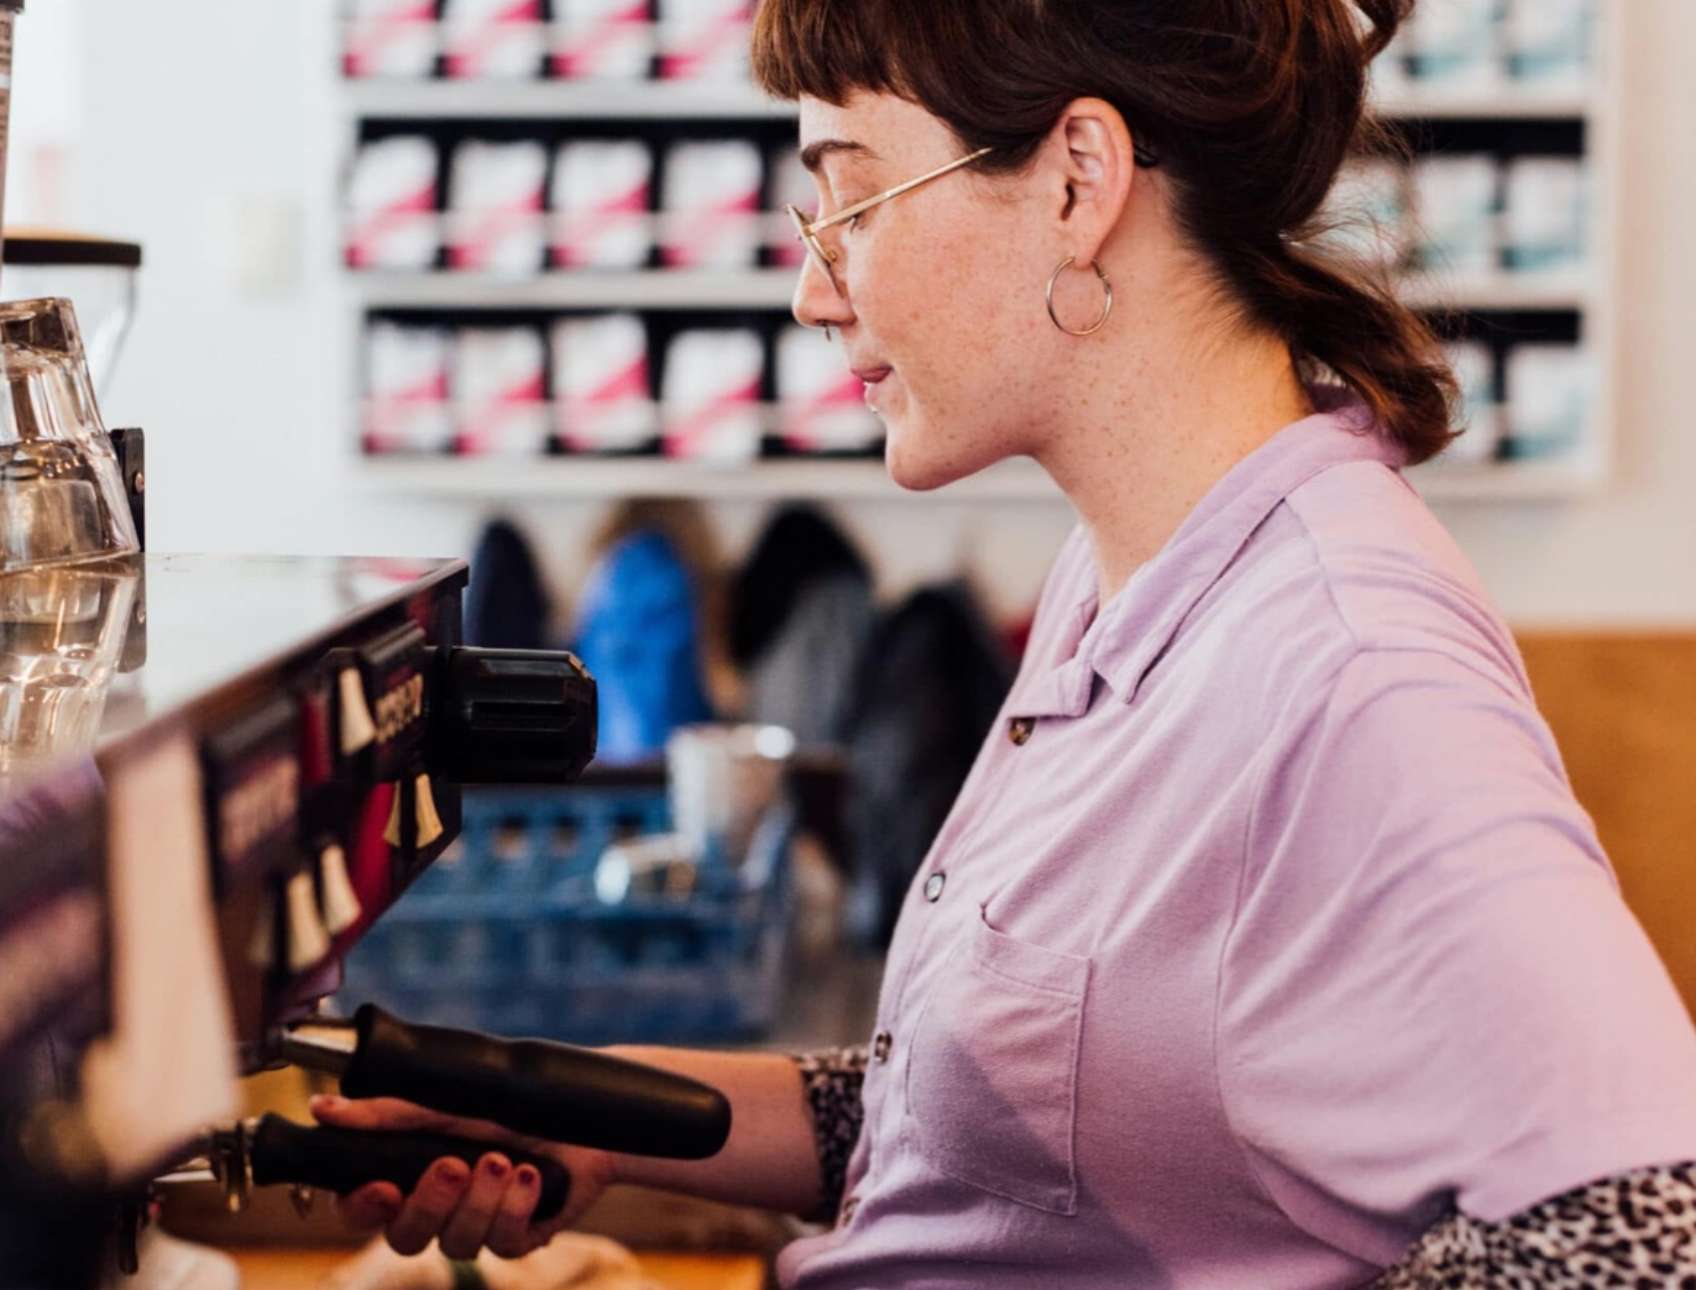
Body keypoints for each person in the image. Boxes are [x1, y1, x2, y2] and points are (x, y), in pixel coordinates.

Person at [315, 1, 1696, 1284]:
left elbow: (1641, 1227)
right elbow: (991, 1125)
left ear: (1078, 182)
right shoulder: (1132, 575)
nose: (817, 289)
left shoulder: (1349, 669)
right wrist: (577, 1106)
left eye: (853, 199)